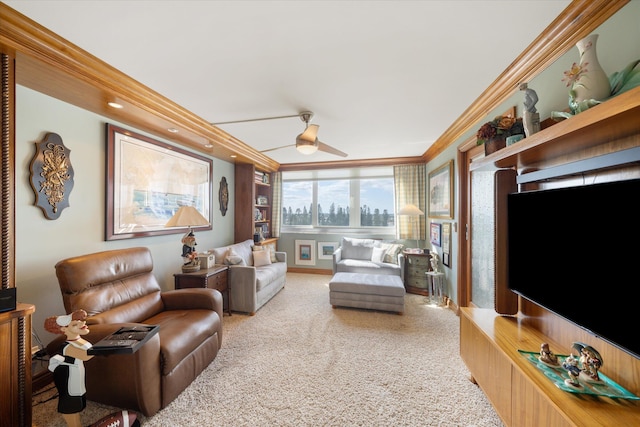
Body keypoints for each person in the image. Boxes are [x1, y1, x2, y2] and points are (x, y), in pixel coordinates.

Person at [44, 309, 94, 427]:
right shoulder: (67, 347)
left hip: (77, 377)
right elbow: (85, 355)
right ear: (63, 329)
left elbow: (88, 348)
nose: (83, 324)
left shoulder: (79, 340)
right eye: (76, 324)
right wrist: (108, 347)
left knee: (78, 404)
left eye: (82, 321)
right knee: (70, 406)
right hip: (69, 380)